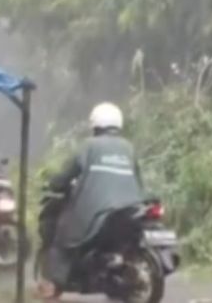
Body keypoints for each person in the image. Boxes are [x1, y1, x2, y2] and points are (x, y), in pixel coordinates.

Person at [37, 102, 145, 299]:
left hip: (96, 209)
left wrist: (54, 184)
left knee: (63, 236)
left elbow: (67, 173)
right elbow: (138, 179)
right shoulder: (128, 148)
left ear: (95, 125)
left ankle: (51, 287)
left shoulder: (89, 146)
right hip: (131, 208)